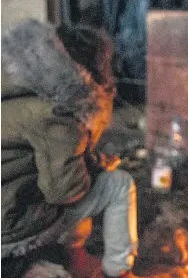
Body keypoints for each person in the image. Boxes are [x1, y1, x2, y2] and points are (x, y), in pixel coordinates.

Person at [1, 20, 140, 278]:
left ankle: (63, 258)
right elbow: (64, 191)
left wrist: (91, 161)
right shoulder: (58, 111)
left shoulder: (16, 87)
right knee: (116, 185)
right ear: (88, 74)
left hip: (7, 206)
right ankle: (118, 270)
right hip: (10, 229)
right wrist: (96, 169)